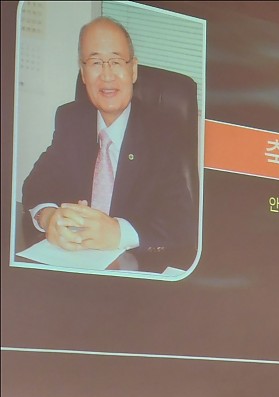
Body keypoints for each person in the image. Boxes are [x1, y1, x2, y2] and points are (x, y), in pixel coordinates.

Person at [21, 16, 197, 269]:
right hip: (73, 266)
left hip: (136, 272)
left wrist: (118, 232)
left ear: (133, 70)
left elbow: (182, 222)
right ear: (83, 73)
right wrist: (49, 218)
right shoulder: (71, 120)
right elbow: (36, 185)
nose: (106, 75)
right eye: (95, 62)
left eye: (115, 61)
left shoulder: (163, 131)